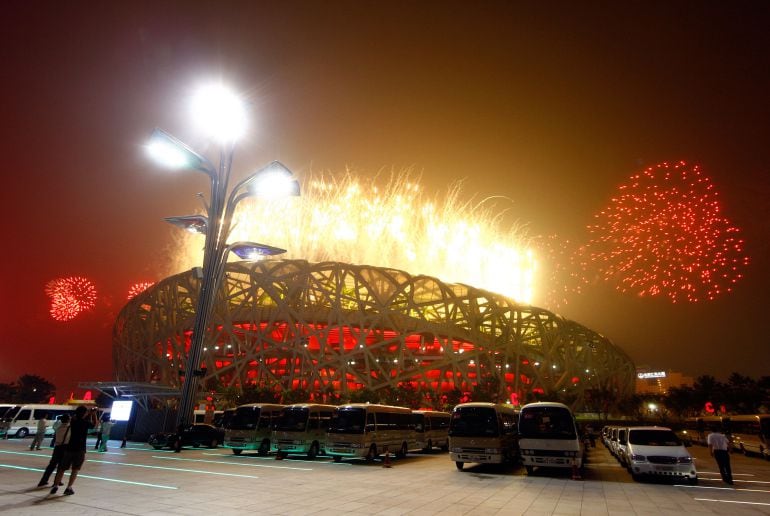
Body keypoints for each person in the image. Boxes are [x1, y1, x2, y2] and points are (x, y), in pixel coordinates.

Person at [50, 406, 97, 496]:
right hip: (80, 449)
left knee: (62, 468)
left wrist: (87, 414)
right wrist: (93, 414)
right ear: (84, 413)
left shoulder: (73, 421)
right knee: (75, 469)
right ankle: (69, 487)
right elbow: (94, 424)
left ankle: (55, 485)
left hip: (69, 448)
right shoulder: (85, 423)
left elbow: (78, 417)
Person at [38, 414, 70, 487]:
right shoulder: (69, 428)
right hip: (64, 448)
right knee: (61, 466)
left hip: (57, 447)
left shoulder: (58, 427)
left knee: (51, 465)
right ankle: (57, 481)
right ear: (68, 420)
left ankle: (43, 480)